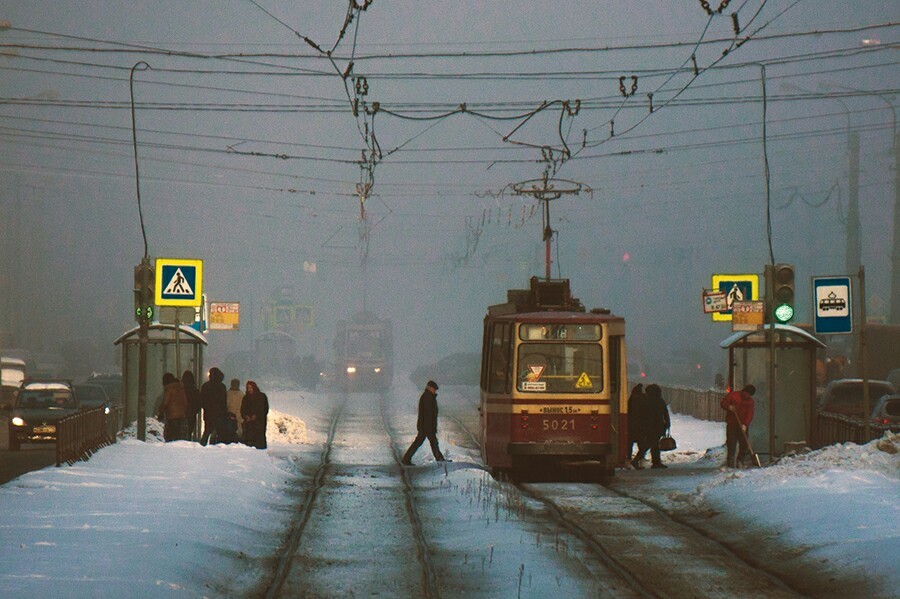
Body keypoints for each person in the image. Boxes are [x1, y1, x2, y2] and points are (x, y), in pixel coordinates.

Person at [401, 380, 447, 465]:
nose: (435, 391)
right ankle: (439, 459)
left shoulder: (428, 397)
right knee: (432, 443)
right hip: (427, 426)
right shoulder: (427, 398)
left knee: (423, 443)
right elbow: (428, 414)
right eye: (434, 389)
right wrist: (430, 427)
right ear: (429, 388)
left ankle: (406, 459)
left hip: (426, 426)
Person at [721, 384, 756, 468]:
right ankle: (730, 462)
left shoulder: (750, 402)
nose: (747, 396)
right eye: (747, 394)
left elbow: (750, 414)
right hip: (732, 423)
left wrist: (745, 424)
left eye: (749, 395)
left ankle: (740, 460)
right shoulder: (733, 395)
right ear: (744, 391)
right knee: (731, 443)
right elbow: (723, 403)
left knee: (744, 443)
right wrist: (729, 407)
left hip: (742, 424)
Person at [640, 384, 671, 469]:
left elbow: (642, 414)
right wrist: (667, 423)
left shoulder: (645, 401)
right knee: (653, 444)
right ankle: (655, 462)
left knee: (652, 444)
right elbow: (665, 413)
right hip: (658, 425)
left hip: (648, 425)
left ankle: (654, 461)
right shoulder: (660, 401)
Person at [199, 367, 227, 446]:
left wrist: (206, 407)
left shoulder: (205, 386)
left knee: (207, 430)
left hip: (208, 412)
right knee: (218, 430)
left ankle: (203, 443)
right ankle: (215, 444)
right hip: (219, 413)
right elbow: (224, 401)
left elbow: (202, 400)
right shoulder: (222, 387)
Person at [157, 372, 188, 442]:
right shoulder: (181, 388)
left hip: (171, 415)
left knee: (170, 435)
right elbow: (185, 402)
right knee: (178, 435)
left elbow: (165, 402)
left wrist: (160, 411)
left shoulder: (169, 389)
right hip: (181, 415)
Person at [240, 380, 269, 449]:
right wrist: (246, 416)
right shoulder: (245, 398)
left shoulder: (261, 396)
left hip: (259, 423)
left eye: (250, 388)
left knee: (259, 439)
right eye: (248, 388)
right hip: (249, 423)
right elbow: (242, 409)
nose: (249, 389)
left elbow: (264, 409)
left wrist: (257, 416)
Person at [626, 383, 645, 464]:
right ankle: (640, 458)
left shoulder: (631, 400)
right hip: (641, 424)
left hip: (631, 424)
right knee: (641, 443)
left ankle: (628, 457)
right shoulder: (643, 399)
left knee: (630, 442)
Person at [182, 370, 201, 441]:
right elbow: (199, 403)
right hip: (191, 414)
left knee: (182, 431)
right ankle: (188, 441)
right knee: (189, 431)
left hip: (182, 414)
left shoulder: (181, 390)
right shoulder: (195, 390)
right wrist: (195, 411)